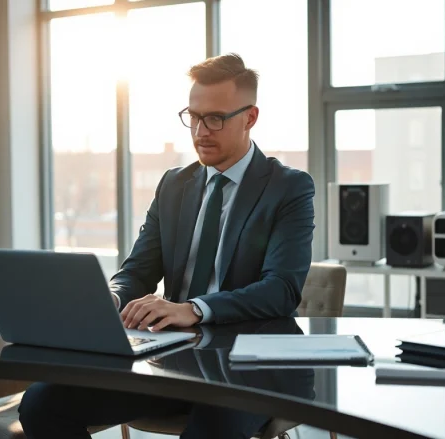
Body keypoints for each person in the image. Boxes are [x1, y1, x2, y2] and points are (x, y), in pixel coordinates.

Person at [18, 53, 315, 439]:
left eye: (215, 118)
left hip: (250, 365)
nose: (200, 131)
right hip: (175, 360)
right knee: (43, 403)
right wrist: (108, 298)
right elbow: (138, 271)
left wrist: (193, 309)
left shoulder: (289, 187)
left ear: (250, 117)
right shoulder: (174, 185)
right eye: (193, 116)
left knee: (214, 428)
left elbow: (282, 290)